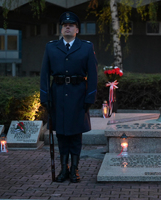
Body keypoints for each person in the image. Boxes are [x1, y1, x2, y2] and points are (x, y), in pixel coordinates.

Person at [40, 11, 98, 183]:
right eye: (65, 25)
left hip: (78, 95)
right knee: (61, 134)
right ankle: (63, 169)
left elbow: (93, 75)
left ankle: (74, 170)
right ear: (61, 28)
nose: (67, 27)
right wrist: (45, 97)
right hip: (57, 95)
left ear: (77, 30)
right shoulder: (51, 47)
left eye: (71, 25)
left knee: (75, 134)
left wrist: (90, 97)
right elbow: (44, 74)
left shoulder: (86, 47)